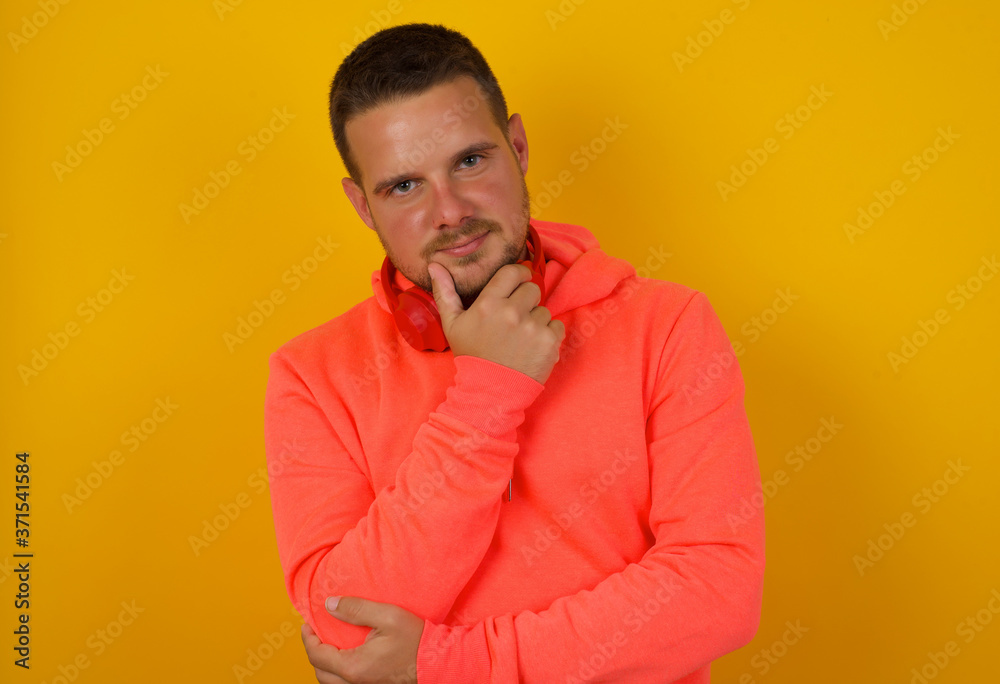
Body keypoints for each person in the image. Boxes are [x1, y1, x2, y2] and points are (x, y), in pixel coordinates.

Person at [264, 22, 765, 684]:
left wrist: (455, 663)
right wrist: (486, 397)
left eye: (470, 161)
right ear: (361, 204)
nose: (450, 211)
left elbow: (717, 593)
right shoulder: (312, 375)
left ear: (518, 147)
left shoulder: (666, 325)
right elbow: (343, 628)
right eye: (404, 187)